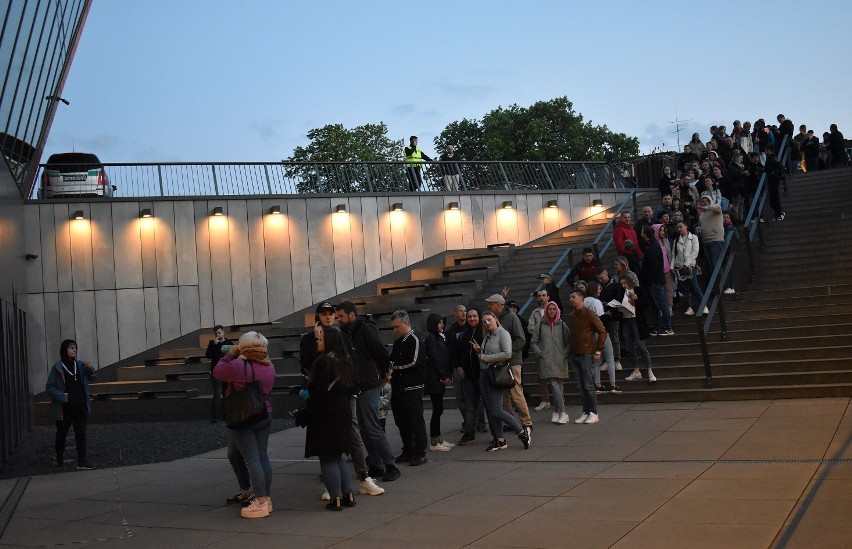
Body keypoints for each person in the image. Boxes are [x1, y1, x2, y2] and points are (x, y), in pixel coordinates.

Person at [301, 302, 384, 500]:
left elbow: (350, 361)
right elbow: (306, 364)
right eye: (325, 313)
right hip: (325, 396)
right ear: (318, 316)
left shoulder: (341, 336)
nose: (329, 317)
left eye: (332, 314)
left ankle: (362, 477)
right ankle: (334, 484)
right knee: (331, 443)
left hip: (341, 393)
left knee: (352, 433)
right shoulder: (309, 340)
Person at [335, 301, 401, 483]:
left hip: (370, 384)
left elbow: (380, 351)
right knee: (364, 429)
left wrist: (385, 373)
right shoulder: (346, 333)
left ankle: (390, 465)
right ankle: (377, 464)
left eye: (340, 316)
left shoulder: (365, 328)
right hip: (358, 385)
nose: (338, 319)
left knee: (372, 427)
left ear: (352, 315)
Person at [213, 331, 275, 519]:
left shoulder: (238, 365)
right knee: (263, 457)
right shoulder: (270, 365)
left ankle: (261, 502)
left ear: (244, 346)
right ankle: (266, 497)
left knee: (252, 460)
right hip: (264, 413)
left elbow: (217, 371)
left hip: (244, 416)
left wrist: (230, 353)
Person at [304, 326, 356, 511]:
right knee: (339, 455)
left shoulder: (322, 363)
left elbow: (315, 391)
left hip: (325, 412)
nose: (318, 342)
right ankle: (348, 494)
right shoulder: (345, 360)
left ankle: (335, 499)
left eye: (320, 339)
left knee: (327, 458)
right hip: (343, 409)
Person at [470, 310, 532, 451]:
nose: (486, 323)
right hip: (485, 374)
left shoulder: (502, 333)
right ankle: (499, 439)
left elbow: (507, 354)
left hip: (497, 373)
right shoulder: (487, 336)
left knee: (497, 409)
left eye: (489, 320)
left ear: (495, 319)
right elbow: (485, 355)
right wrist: (479, 351)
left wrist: (486, 358)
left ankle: (522, 431)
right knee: (490, 410)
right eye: (484, 321)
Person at [46, 339, 96, 470]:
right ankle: (59, 457)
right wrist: (63, 397)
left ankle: (82, 461)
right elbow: (49, 387)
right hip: (64, 407)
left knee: (81, 433)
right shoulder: (57, 367)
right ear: (64, 350)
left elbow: (93, 377)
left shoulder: (80, 365)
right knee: (62, 432)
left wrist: (90, 368)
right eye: (71, 347)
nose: (74, 350)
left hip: (80, 405)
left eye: (75, 347)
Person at [485, 294, 532, 431]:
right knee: (504, 394)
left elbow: (520, 340)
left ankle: (527, 422)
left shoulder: (511, 317)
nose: (489, 306)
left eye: (491, 304)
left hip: (513, 361)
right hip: (499, 362)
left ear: (499, 305)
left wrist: (508, 353)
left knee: (516, 392)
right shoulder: (493, 318)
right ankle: (511, 421)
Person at [388, 310, 428, 466]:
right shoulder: (398, 342)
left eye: (397, 326)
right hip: (398, 387)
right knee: (402, 421)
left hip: (412, 387)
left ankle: (420, 452)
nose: (395, 330)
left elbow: (413, 362)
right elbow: (392, 361)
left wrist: (394, 368)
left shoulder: (415, 339)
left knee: (416, 421)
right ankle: (408, 450)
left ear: (405, 324)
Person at [567, 290, 606, 424]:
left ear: (581, 298)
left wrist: (598, 351)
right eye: (570, 297)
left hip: (587, 352)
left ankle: (594, 412)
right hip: (575, 353)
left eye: (573, 297)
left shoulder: (589, 313)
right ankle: (586, 410)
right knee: (580, 385)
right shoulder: (572, 315)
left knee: (588, 384)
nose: (571, 299)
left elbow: (602, 331)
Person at [529, 301, 571, 424]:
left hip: (560, 359)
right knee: (553, 384)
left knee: (559, 385)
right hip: (546, 359)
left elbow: (569, 341)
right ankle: (563, 412)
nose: (551, 311)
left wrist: (565, 354)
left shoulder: (562, 325)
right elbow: (533, 342)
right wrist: (540, 353)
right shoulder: (540, 325)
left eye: (553, 309)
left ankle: (556, 412)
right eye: (549, 309)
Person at [455, 307, 485, 446]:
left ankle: (497, 434)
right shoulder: (463, 335)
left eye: (475, 316)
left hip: (483, 375)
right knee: (470, 407)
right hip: (468, 377)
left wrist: (480, 351)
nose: (472, 319)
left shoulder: (484, 332)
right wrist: (459, 367)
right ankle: (469, 433)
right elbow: (458, 355)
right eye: (470, 317)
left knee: (490, 405)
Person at [423, 313, 454, 452]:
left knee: (438, 408)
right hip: (434, 379)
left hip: (439, 377)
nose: (442, 325)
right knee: (437, 408)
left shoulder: (440, 337)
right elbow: (435, 358)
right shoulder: (431, 339)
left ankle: (438, 437)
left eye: (443, 322)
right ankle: (435, 441)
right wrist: (443, 375)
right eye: (439, 323)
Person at [620, 272, 656, 383]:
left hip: (637, 320)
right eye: (621, 284)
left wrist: (637, 298)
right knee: (630, 347)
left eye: (625, 283)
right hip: (626, 320)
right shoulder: (621, 293)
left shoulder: (638, 290)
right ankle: (636, 370)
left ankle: (649, 371)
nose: (623, 285)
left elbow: (646, 304)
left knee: (641, 346)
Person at [640, 225, 673, 336]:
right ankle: (658, 327)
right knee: (654, 305)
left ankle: (668, 327)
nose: (641, 234)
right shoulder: (651, 245)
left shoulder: (652, 247)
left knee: (661, 303)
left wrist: (649, 279)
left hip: (653, 281)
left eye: (642, 232)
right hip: (652, 281)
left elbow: (653, 266)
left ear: (645, 234)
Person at [528, 288, 557, 411]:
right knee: (541, 375)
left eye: (544, 295)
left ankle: (559, 399)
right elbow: (530, 328)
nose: (541, 298)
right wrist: (541, 329)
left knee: (555, 374)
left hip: (554, 346)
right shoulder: (535, 312)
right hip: (540, 347)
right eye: (539, 296)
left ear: (548, 297)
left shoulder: (554, 309)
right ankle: (545, 400)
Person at [671, 221, 707, 316]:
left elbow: (695, 252)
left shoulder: (693, 237)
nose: (679, 229)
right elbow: (673, 255)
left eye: (680, 227)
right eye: (677, 227)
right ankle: (689, 307)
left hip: (690, 266)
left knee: (695, 286)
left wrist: (686, 264)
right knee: (685, 288)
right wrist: (673, 266)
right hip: (680, 267)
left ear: (686, 226)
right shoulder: (676, 240)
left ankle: (704, 305)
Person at [205, 325, 233, 423]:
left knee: (226, 393)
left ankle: (226, 416)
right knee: (217, 393)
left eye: (219, 332)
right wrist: (214, 345)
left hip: (226, 371)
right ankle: (214, 417)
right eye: (216, 333)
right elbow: (208, 355)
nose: (218, 334)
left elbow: (232, 356)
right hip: (216, 372)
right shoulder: (212, 343)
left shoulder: (229, 343)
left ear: (223, 332)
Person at [764, 145, 785, 221]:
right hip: (775, 180)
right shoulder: (775, 158)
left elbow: (766, 169)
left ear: (769, 150)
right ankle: (778, 213)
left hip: (772, 181)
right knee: (774, 197)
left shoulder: (770, 159)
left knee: (774, 198)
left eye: (766, 150)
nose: (765, 152)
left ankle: (778, 214)